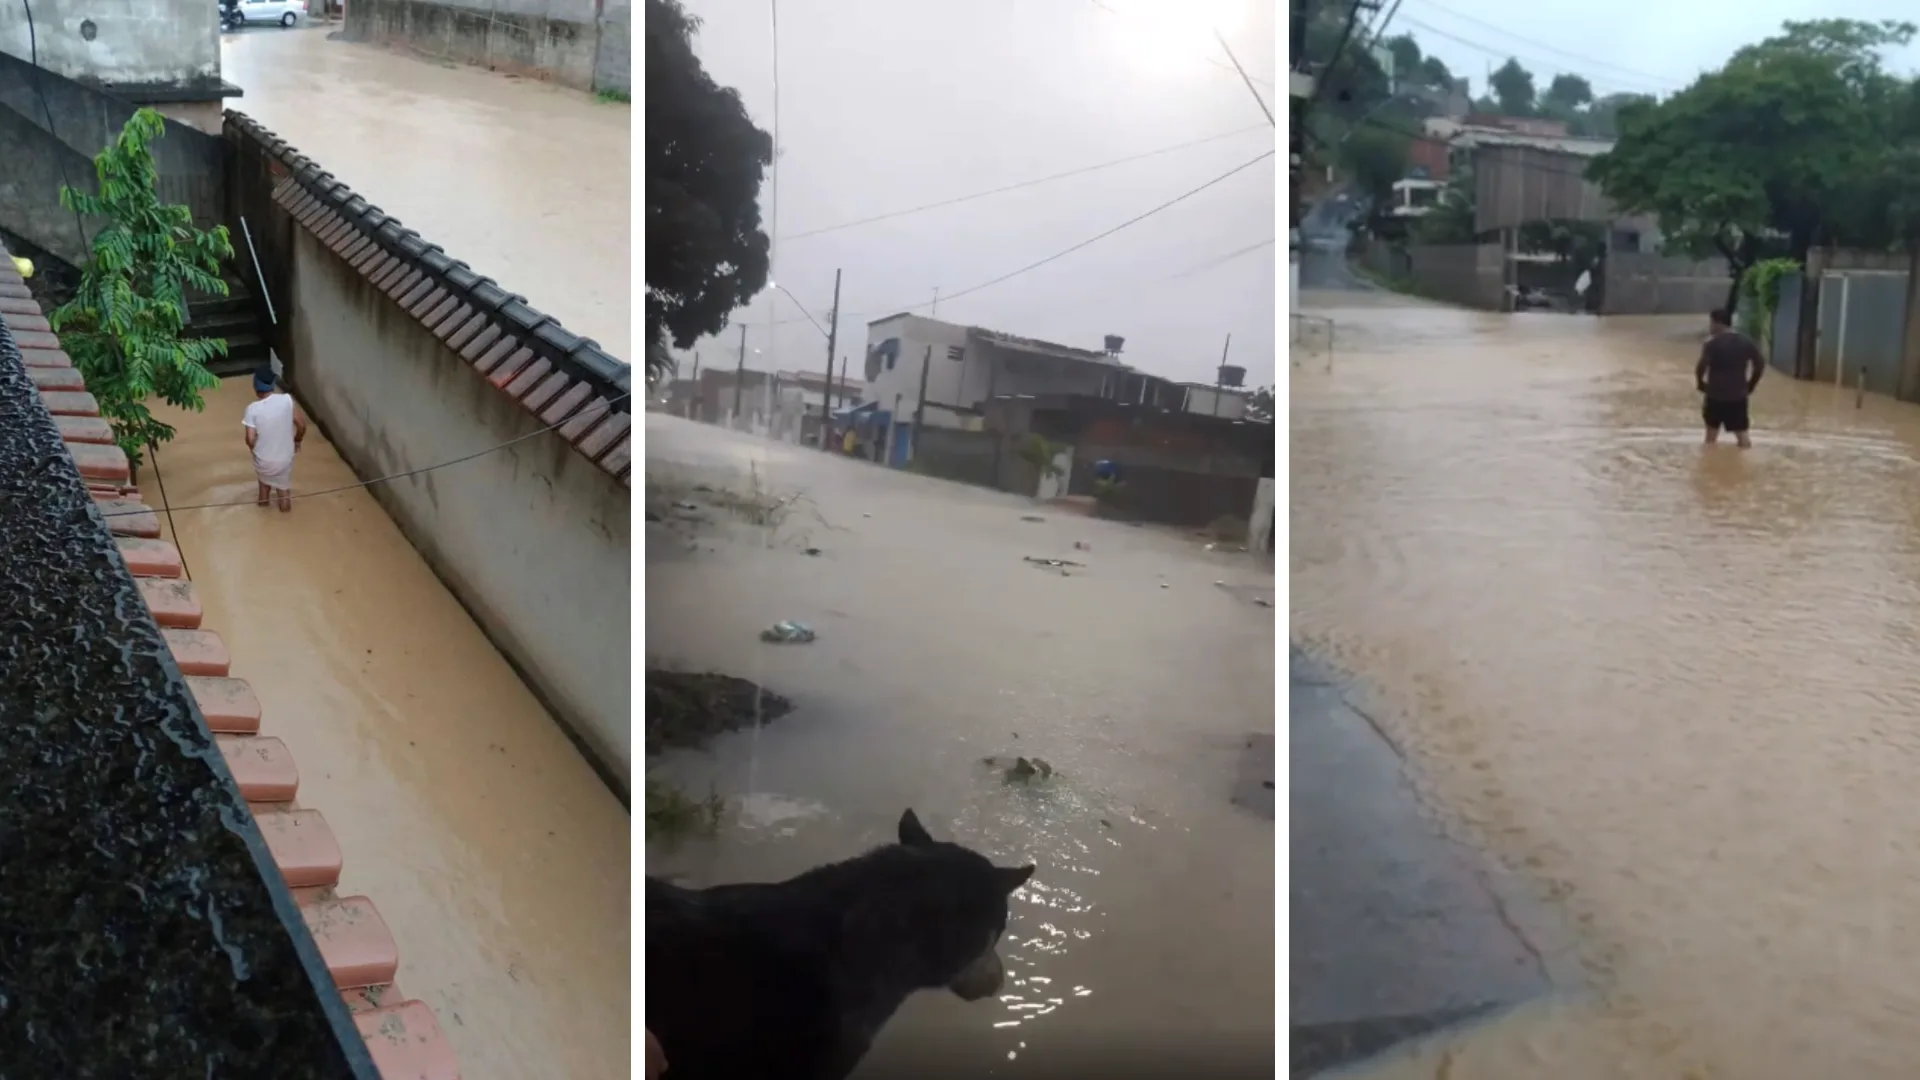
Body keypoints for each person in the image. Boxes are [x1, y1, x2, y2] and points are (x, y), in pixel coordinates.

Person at [1696, 307, 1766, 448]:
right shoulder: (1746, 342)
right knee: (1742, 436)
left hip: (1715, 395)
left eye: (1711, 323)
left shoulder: (1711, 344)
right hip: (1738, 395)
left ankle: (1709, 465)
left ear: (1718, 323)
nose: (1710, 327)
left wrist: (1700, 383)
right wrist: (1751, 385)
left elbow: (1701, 366)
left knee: (1710, 437)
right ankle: (1744, 464)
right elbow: (1760, 364)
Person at [243, 368, 306, 512]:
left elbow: (249, 439)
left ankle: (264, 520)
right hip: (285, 459)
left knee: (264, 489)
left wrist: (255, 449)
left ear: (255, 387)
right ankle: (286, 522)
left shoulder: (252, 409)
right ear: (272, 384)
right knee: (283, 491)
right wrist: (297, 441)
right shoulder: (287, 400)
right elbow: (301, 425)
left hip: (263, 460)